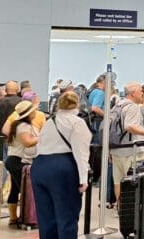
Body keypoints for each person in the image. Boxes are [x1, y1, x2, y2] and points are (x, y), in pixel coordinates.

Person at [31, 92, 90, 239]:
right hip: (63, 168)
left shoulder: (50, 121)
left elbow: (39, 145)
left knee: (46, 218)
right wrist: (84, 178)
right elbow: (80, 152)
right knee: (67, 216)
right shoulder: (77, 122)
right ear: (77, 104)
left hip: (39, 166)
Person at [110, 83, 144, 206]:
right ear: (132, 93)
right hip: (131, 151)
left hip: (116, 149)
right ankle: (132, 213)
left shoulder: (118, 105)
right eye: (140, 91)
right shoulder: (133, 107)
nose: (143, 93)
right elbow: (129, 126)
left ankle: (122, 211)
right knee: (133, 183)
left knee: (118, 182)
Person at [4, 101, 39, 227]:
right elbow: (27, 142)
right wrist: (42, 137)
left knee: (16, 188)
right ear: (29, 114)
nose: (36, 112)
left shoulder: (19, 124)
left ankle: (14, 218)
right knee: (26, 190)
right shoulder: (24, 126)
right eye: (33, 111)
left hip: (14, 160)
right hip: (19, 161)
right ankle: (27, 218)